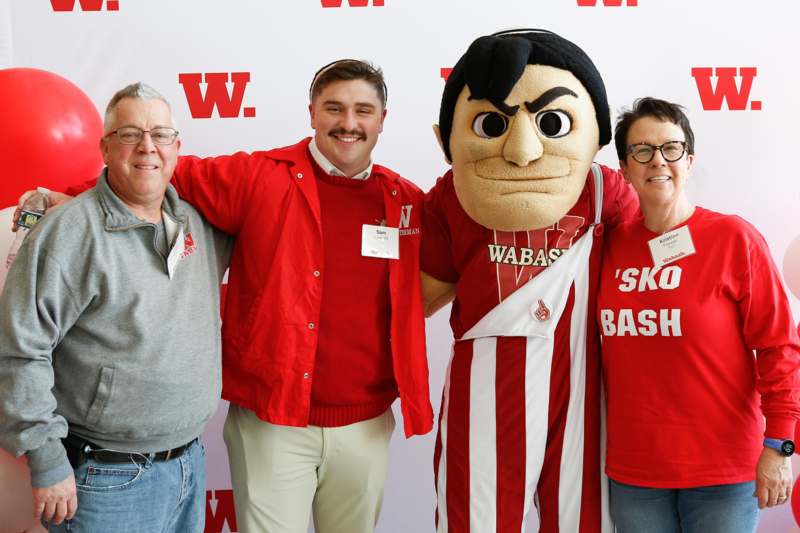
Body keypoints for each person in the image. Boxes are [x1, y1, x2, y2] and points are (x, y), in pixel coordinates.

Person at [44, 59, 433, 533]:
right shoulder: (259, 177)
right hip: (273, 423)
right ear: (312, 113)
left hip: (366, 425)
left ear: (382, 119)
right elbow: (156, 172)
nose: (349, 123)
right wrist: (68, 197)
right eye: (335, 108)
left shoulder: (406, 200)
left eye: (363, 111)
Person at [421, 30, 638, 532]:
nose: (521, 150)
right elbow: (420, 294)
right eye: (493, 124)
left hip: (584, 387)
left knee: (582, 520)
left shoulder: (606, 191)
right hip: (486, 392)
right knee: (478, 521)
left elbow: (658, 270)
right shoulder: (453, 196)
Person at [0, 82, 230, 532]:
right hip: (105, 476)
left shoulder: (199, 224)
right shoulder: (67, 233)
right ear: (105, 148)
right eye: (129, 134)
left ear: (177, 148)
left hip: (188, 463)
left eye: (160, 135)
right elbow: (19, 351)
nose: (147, 147)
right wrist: (47, 461)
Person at [597, 97, 800, 532]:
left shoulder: (733, 239)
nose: (658, 161)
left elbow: (779, 346)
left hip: (722, 473)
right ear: (625, 166)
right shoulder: (606, 248)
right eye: (642, 150)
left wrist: (780, 445)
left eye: (671, 148)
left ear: (688, 161)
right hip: (635, 473)